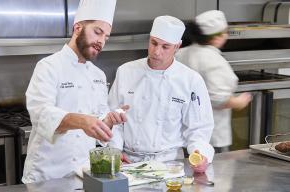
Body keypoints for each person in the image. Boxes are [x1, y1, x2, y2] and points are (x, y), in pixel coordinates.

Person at [22, 0, 127, 183]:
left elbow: (98, 118)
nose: (101, 41)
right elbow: (40, 114)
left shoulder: (99, 75)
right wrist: (81, 120)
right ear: (78, 28)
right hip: (46, 174)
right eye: (97, 32)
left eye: (106, 37)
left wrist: (107, 122)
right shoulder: (48, 67)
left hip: (83, 172)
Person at [108, 15, 214, 172]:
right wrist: (115, 152)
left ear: (177, 46)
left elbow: (198, 128)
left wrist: (200, 153)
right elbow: (113, 119)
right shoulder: (126, 72)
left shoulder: (190, 80)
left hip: (170, 164)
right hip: (128, 162)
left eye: (165, 47)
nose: (157, 52)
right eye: (154, 43)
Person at [176, 10, 252, 153]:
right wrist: (239, 102)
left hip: (184, 132)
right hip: (211, 136)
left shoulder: (181, 53)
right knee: (212, 173)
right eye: (225, 32)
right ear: (216, 37)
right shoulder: (214, 61)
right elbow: (217, 98)